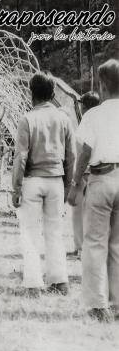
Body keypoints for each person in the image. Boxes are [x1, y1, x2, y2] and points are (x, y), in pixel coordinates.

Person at [12, 72, 76, 298]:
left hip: (32, 180)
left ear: (32, 95)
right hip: (56, 180)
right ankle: (60, 282)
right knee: (55, 233)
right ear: (52, 94)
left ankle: (33, 284)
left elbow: (20, 157)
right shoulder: (64, 119)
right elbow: (72, 156)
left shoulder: (27, 119)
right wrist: (67, 186)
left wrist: (16, 187)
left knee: (30, 233)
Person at [68, 59, 119, 322]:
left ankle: (97, 305)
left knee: (95, 243)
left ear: (102, 84)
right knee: (117, 244)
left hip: (102, 178)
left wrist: (76, 184)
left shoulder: (93, 114)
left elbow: (84, 152)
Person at [67, 91, 100, 259]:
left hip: (85, 173)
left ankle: (81, 249)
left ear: (87, 107)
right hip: (93, 173)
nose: (80, 108)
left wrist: (75, 178)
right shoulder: (99, 120)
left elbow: (83, 151)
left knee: (80, 213)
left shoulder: (88, 121)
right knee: (82, 214)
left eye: (82, 105)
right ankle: (79, 247)